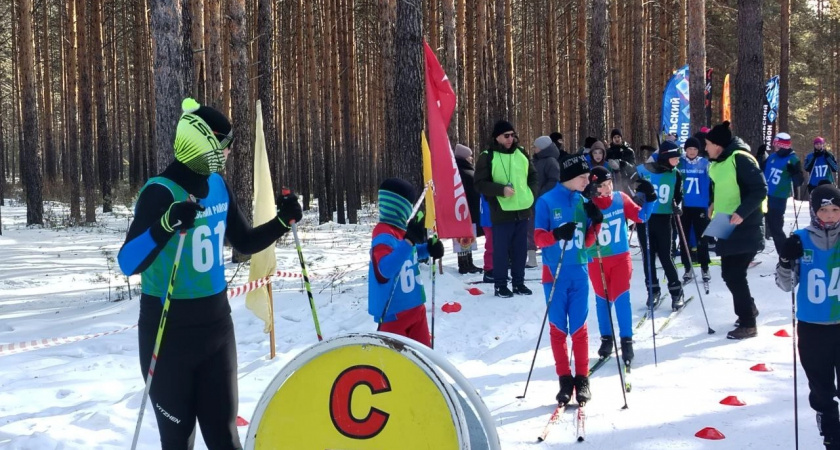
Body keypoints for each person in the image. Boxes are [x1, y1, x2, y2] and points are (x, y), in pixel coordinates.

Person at [117, 98, 303, 449]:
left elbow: (244, 242)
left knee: (224, 438)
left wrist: (282, 221)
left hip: (216, 329)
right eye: (225, 147)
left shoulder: (217, 185)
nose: (229, 154)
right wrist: (167, 223)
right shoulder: (160, 192)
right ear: (202, 143)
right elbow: (128, 262)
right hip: (167, 332)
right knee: (177, 440)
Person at [775, 184, 840, 450]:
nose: (830, 215)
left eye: (835, 209)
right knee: (821, 387)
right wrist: (786, 260)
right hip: (812, 327)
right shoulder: (801, 238)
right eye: (824, 210)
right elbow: (786, 285)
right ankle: (832, 435)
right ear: (814, 211)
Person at [534, 155, 602, 406]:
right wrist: (556, 234)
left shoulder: (583, 201)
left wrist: (596, 223)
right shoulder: (546, 202)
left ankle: (582, 379)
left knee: (580, 329)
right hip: (554, 273)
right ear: (570, 177)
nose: (587, 181)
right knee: (558, 329)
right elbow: (539, 238)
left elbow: (586, 243)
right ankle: (564, 379)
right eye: (583, 177)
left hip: (579, 272)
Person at [585, 167, 655, 366]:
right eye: (602, 186)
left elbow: (641, 217)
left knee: (622, 299)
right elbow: (584, 237)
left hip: (620, 258)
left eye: (609, 184)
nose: (607, 189)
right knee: (603, 300)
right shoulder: (589, 203)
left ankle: (626, 341)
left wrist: (651, 198)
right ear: (594, 188)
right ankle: (607, 339)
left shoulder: (620, 198)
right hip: (596, 259)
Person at [705, 121, 768, 339]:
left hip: (746, 225)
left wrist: (742, 212)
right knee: (728, 273)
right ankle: (748, 309)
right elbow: (721, 186)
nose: (705, 149)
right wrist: (713, 203)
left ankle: (749, 324)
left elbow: (760, 189)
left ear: (718, 145)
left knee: (735, 274)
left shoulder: (741, 159)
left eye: (708, 144)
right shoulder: (718, 161)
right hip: (725, 222)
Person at [368, 178, 444, 346]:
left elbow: (410, 254)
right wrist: (409, 241)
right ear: (402, 207)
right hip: (394, 313)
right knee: (394, 366)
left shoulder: (401, 231)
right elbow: (384, 269)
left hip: (416, 308)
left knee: (423, 359)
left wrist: (428, 249)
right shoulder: (383, 233)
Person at [475, 120, 538, 297]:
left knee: (520, 250)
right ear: (497, 137)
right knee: (501, 251)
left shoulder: (521, 153)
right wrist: (500, 191)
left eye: (512, 135)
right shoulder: (487, 156)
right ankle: (500, 284)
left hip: (523, 209)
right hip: (501, 211)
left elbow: (533, 176)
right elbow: (479, 184)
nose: (510, 139)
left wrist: (531, 194)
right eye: (506, 136)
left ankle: (519, 282)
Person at [633, 141, 685, 310]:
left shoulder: (675, 174)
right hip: (645, 219)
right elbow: (630, 188)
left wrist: (677, 206)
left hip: (664, 220)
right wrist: (636, 197)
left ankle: (676, 292)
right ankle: (653, 291)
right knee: (648, 256)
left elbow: (678, 196)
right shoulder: (642, 170)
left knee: (665, 256)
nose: (677, 161)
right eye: (675, 158)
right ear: (665, 157)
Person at [677, 137, 713, 284]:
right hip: (684, 206)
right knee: (684, 237)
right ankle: (688, 268)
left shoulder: (705, 164)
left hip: (700, 205)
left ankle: (705, 267)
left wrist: (712, 202)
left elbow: (714, 181)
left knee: (702, 237)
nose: (692, 152)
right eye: (689, 149)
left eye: (695, 149)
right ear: (685, 149)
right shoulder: (680, 162)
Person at [764, 132, 804, 255]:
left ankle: (784, 256)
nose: (775, 147)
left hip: (778, 198)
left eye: (777, 145)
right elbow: (762, 170)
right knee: (753, 224)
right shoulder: (772, 156)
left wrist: (795, 173)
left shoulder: (792, 159)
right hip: (764, 196)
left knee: (776, 229)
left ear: (783, 146)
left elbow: (799, 181)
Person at [453, 144, 483, 274]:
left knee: (467, 236)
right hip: (466, 208)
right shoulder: (462, 171)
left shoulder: (461, 170)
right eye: (469, 156)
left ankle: (468, 262)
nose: (471, 158)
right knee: (463, 236)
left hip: (466, 208)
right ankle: (464, 264)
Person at [606, 129, 637, 195]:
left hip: (627, 181)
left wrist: (625, 164)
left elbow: (633, 167)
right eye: (615, 137)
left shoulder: (629, 151)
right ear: (612, 139)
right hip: (612, 181)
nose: (617, 139)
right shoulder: (608, 152)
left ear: (621, 138)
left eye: (618, 137)